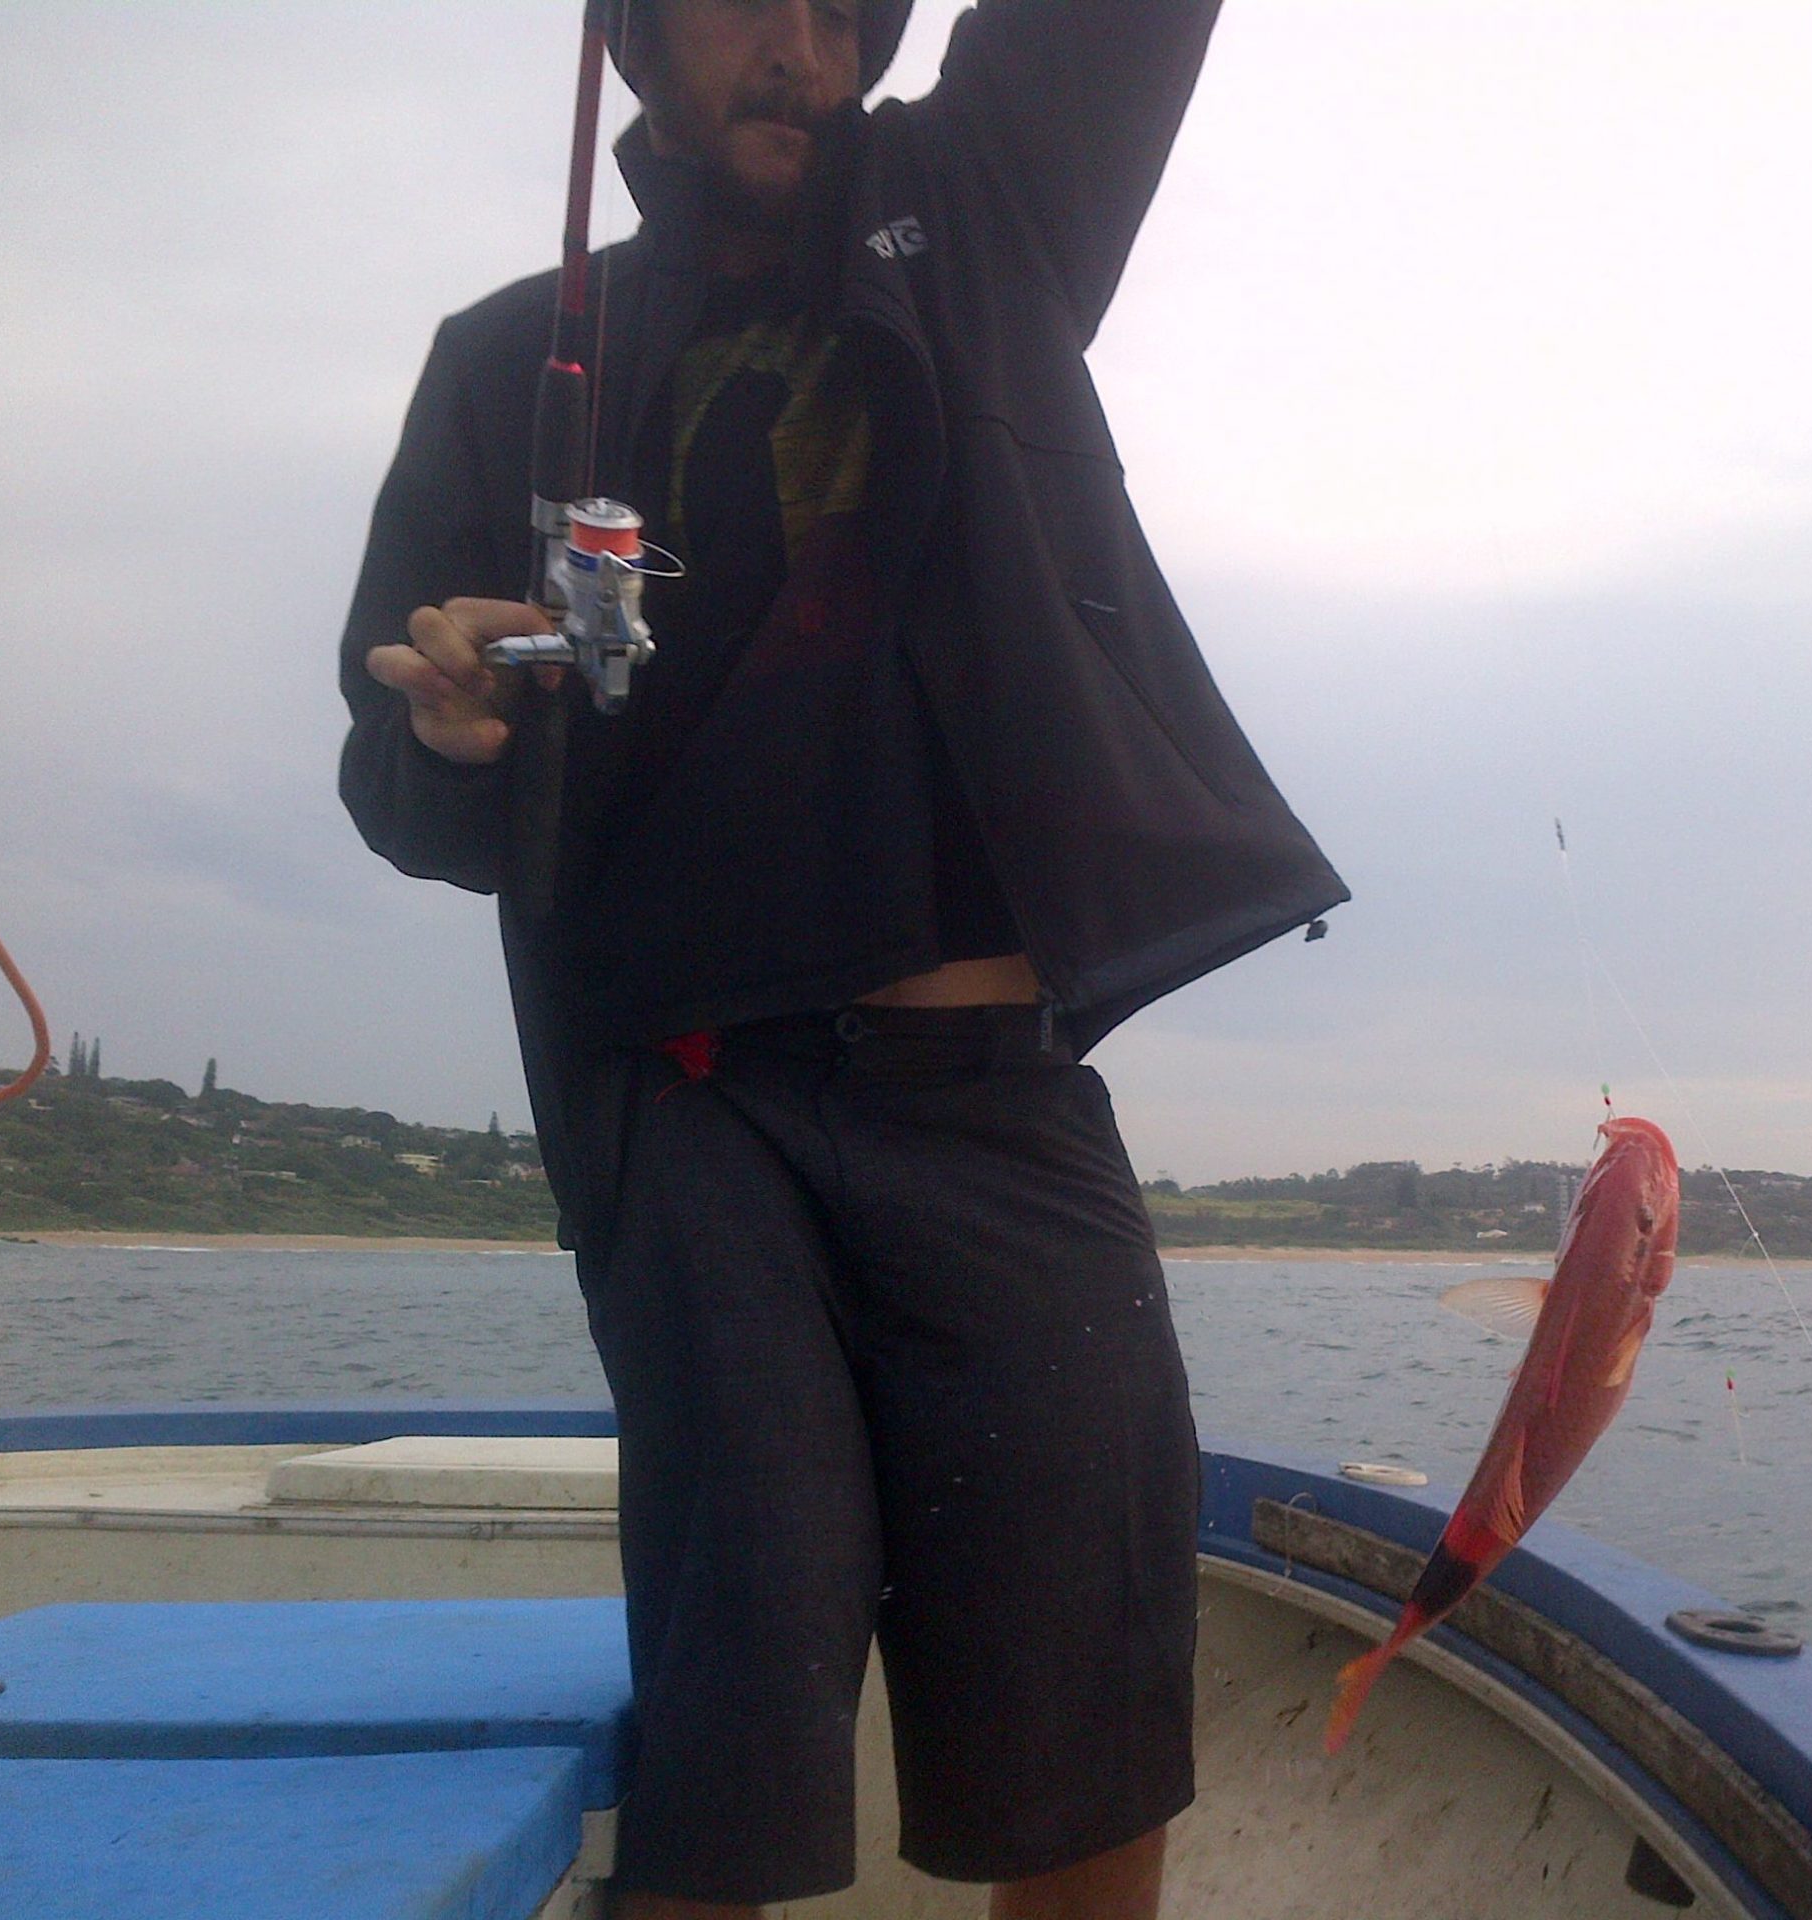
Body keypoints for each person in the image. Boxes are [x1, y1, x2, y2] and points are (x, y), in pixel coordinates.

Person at [337, 1, 1346, 1914]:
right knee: (732, 1722)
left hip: (997, 1099)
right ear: (637, 39)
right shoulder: (503, 361)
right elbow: (399, 790)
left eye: (836, 7)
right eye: (744, 2)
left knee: (1089, 1723)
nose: (798, 47)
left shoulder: (992, 211)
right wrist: (448, 729)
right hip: (690, 1110)